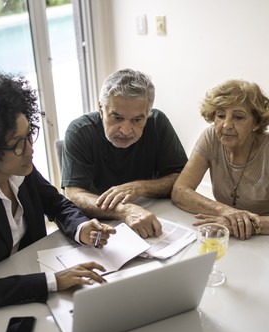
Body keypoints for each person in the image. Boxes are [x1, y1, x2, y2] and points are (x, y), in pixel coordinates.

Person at [0, 72, 115, 313]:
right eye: (17, 143)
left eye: (29, 135)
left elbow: (57, 204)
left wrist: (81, 228)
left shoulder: (20, 170)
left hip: (31, 281)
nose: (30, 149)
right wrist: (55, 281)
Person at [171, 80, 269, 240]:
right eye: (220, 115)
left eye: (238, 117)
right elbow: (180, 191)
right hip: (238, 235)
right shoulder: (211, 137)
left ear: (256, 123)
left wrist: (250, 224)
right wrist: (227, 212)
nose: (226, 125)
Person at [61, 68, 188, 239]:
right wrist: (124, 210)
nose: (126, 130)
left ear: (148, 113)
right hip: (99, 226)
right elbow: (73, 194)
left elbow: (181, 179)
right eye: (117, 118)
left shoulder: (158, 123)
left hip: (153, 215)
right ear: (101, 108)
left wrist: (139, 187)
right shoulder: (79, 131)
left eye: (137, 120)